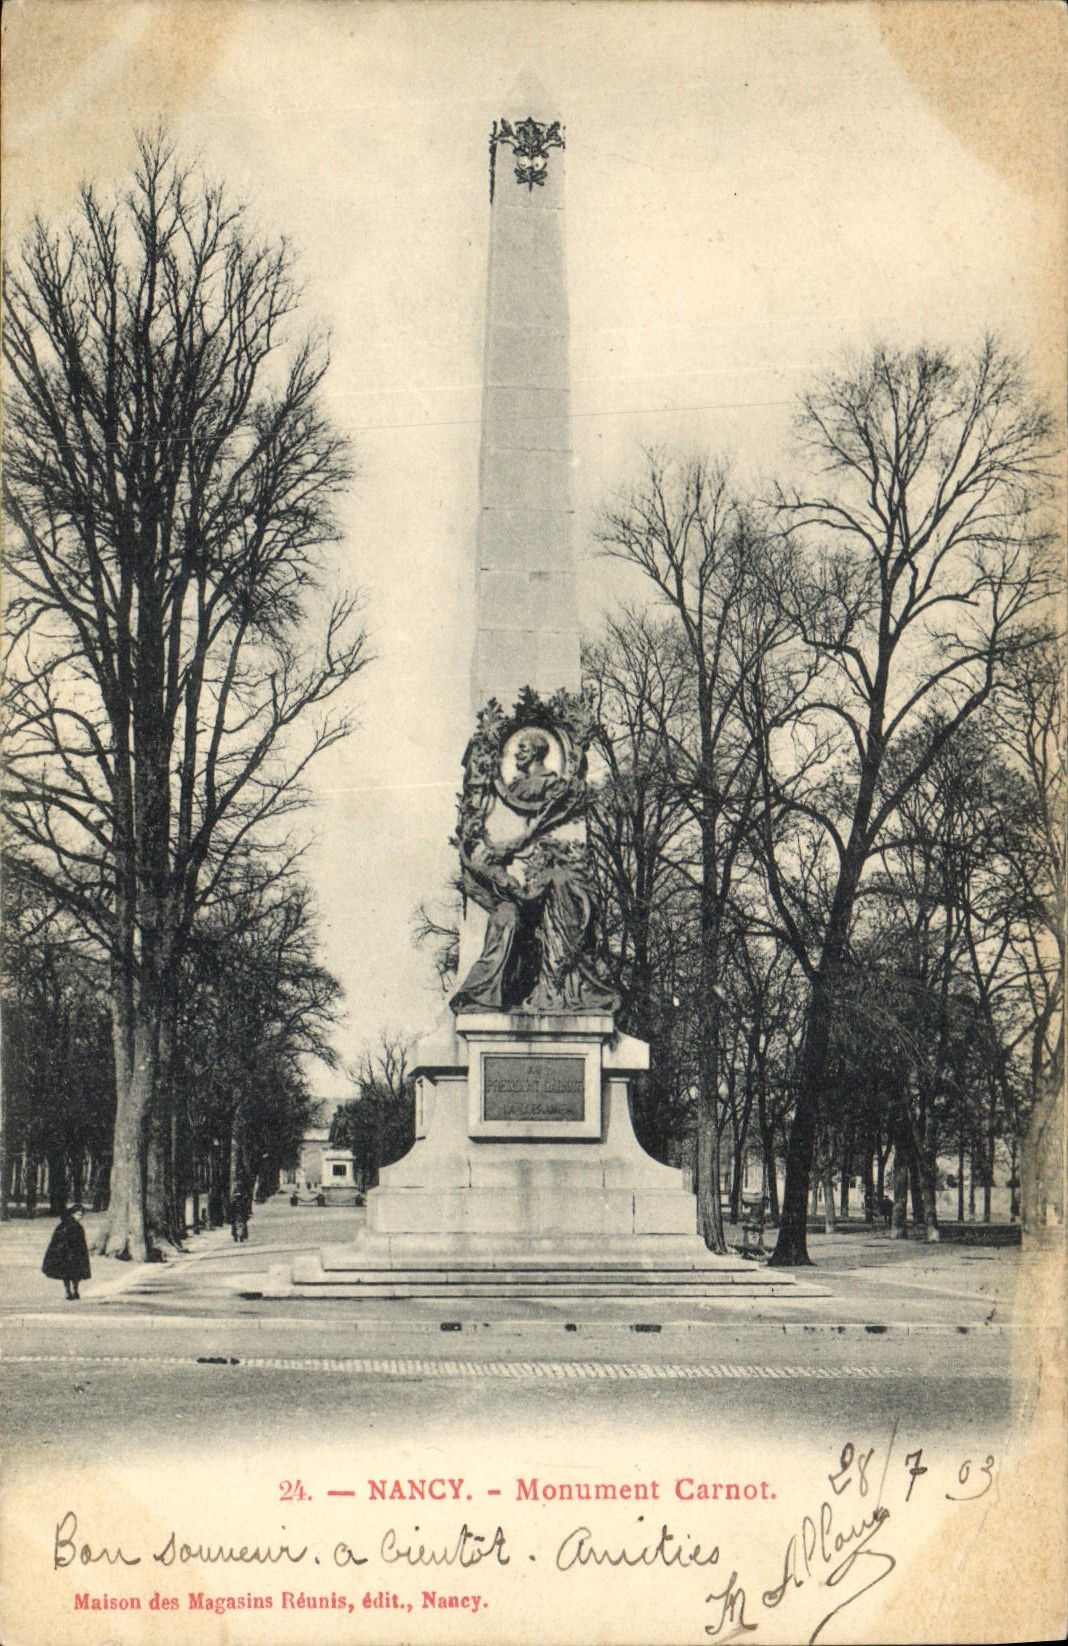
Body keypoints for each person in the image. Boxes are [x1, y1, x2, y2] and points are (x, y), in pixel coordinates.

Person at [42, 1204, 91, 1301]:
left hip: (75, 1254)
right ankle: (69, 1291)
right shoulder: (66, 1226)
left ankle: (74, 1290)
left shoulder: (75, 1226)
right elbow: (59, 1240)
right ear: (72, 1214)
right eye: (78, 1215)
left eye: (81, 1215)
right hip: (67, 1254)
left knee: (73, 1274)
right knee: (68, 1274)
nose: (80, 1217)